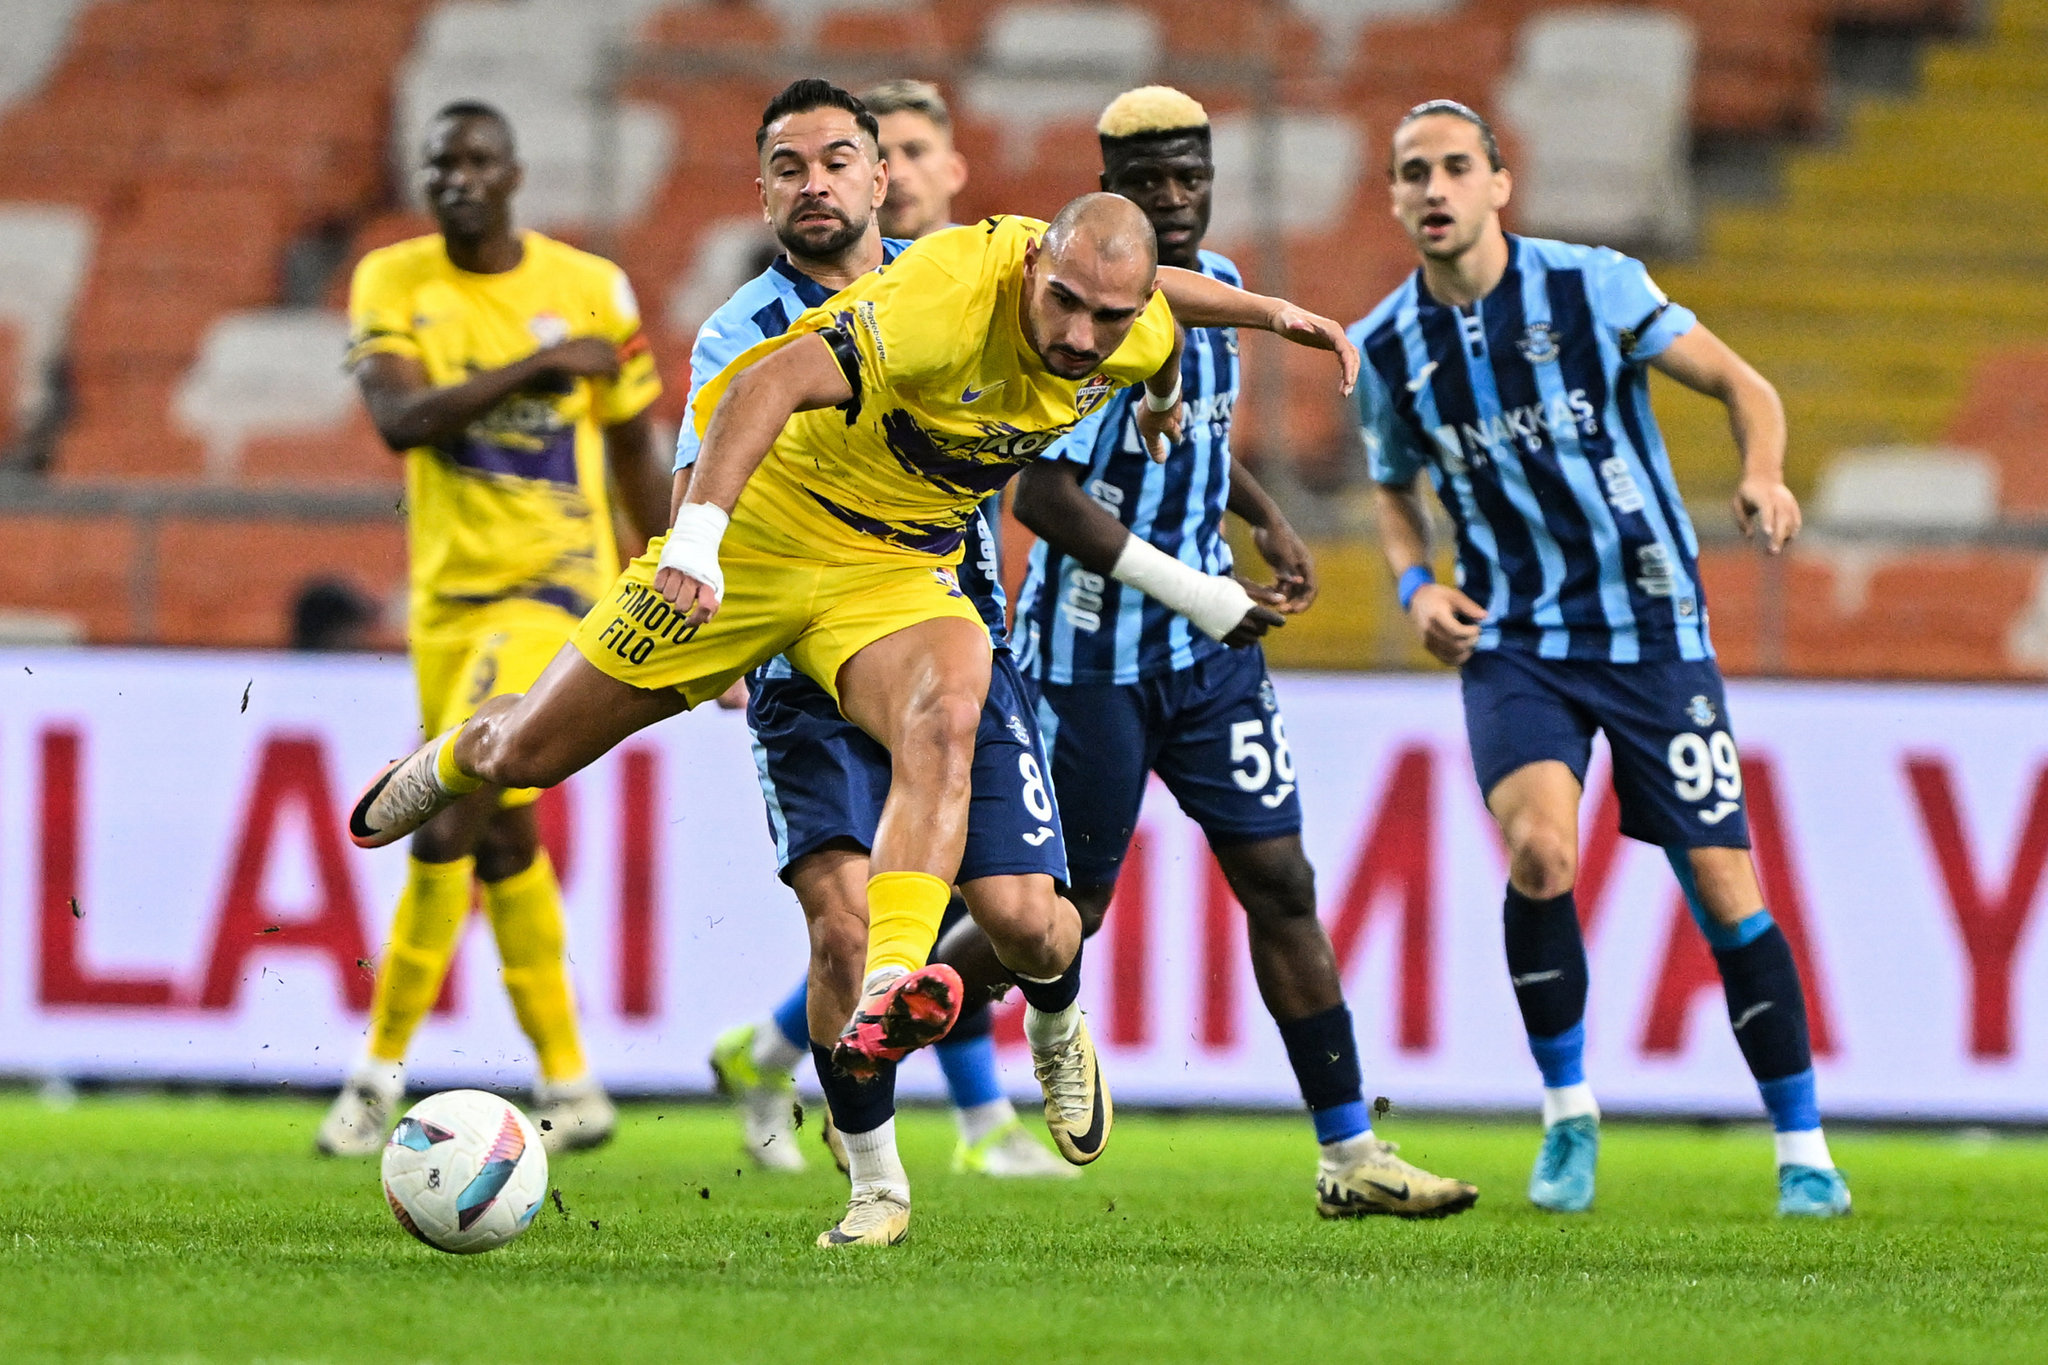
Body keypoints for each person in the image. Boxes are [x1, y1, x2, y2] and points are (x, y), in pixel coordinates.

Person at [344, 94, 1358, 1226]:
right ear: (1033, 267)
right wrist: (695, 542)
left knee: (960, 745)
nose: (1078, 336)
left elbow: (1167, 309)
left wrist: (1259, 322)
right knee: (530, 753)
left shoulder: (1125, 323)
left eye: (1104, 320)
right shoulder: (934, 299)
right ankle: (468, 744)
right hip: (756, 556)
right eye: (1063, 304)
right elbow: (766, 386)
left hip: (894, 572)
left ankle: (912, 1005)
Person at [948, 85, 1478, 1220]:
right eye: (1150, 183)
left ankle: (1350, 1156)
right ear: (1108, 187)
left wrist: (1260, 517)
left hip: (1208, 663)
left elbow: (1192, 445)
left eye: (1191, 177)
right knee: (1056, 921)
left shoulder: (1224, 291)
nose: (1175, 200)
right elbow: (1041, 492)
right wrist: (1196, 589)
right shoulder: (1079, 317)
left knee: (1279, 881)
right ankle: (877, 1035)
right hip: (1093, 665)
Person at [1354, 100, 1850, 1218]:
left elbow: (1742, 385)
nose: (1431, 189)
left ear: (1496, 184)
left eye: (1451, 169)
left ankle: (1801, 1145)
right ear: (1390, 198)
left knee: (1724, 892)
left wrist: (1763, 473)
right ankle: (1567, 1113)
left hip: (1651, 631)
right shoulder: (1386, 345)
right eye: (1409, 173)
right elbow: (1390, 486)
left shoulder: (1593, 287)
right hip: (1514, 639)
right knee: (1539, 854)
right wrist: (1413, 582)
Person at [700, 80, 1072, 1191]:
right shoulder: (740, 330)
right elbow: (701, 471)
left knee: (999, 914)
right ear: (765, 186)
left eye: (856, 159)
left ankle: (772, 1052)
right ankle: (897, 1161)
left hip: (949, 640)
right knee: (855, 927)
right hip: (803, 654)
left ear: (900, 176)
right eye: (791, 167)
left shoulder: (960, 292)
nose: (821, 184)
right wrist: (700, 589)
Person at [317, 101, 671, 1157]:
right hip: (448, 599)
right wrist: (539, 367)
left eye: (478, 160)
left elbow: (634, 453)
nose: (458, 176)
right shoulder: (394, 279)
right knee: (504, 835)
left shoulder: (588, 287)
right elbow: (399, 421)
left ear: (516, 173)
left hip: (558, 591)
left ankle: (374, 1077)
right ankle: (572, 1085)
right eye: (441, 163)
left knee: (451, 813)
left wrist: (676, 591)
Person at [863, 78, 969, 243]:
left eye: (915, 152)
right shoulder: (816, 266)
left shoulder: (995, 264)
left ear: (955, 172)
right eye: (877, 156)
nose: (895, 174)